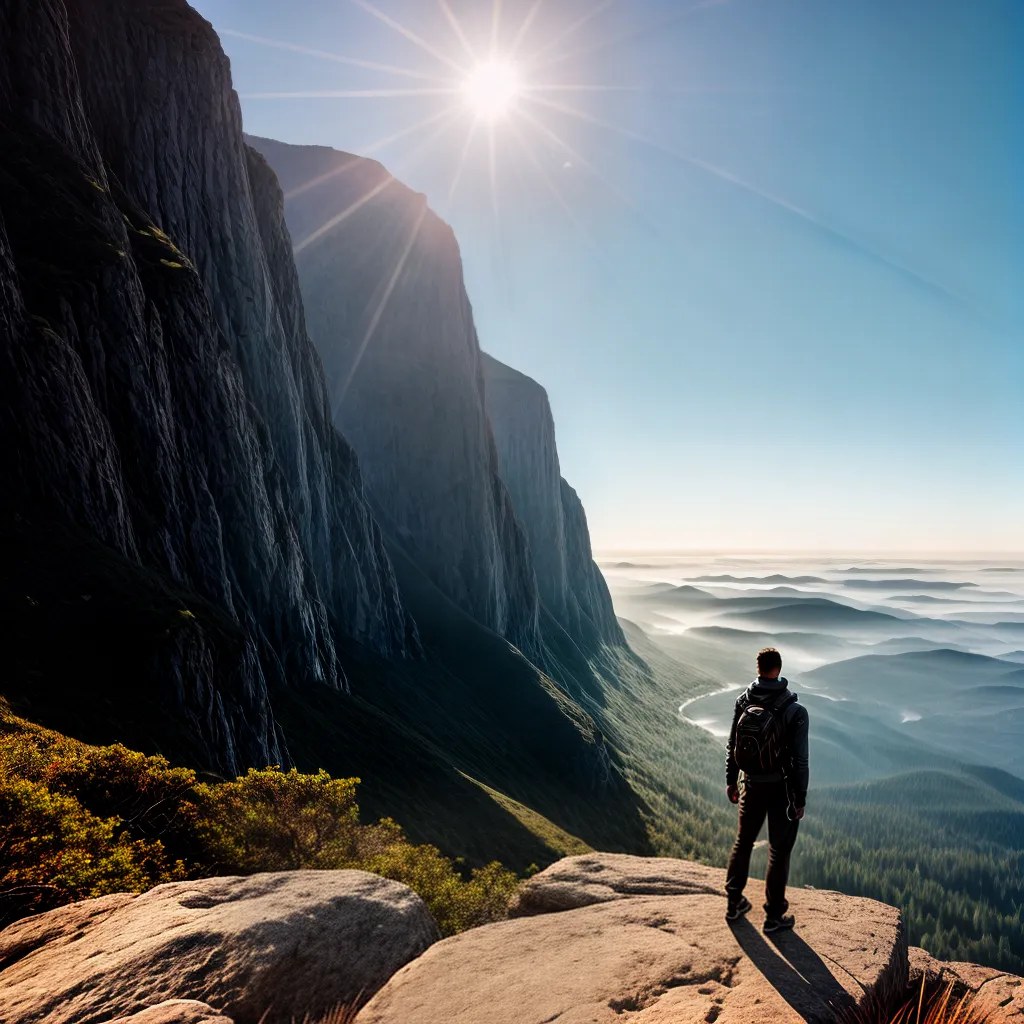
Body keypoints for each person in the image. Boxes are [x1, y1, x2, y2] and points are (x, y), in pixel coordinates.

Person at [724, 647, 809, 934]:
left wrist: (731, 780)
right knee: (778, 852)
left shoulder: (743, 701)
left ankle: (734, 903)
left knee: (743, 843)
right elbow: (801, 760)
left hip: (750, 784)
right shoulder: (794, 710)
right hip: (781, 789)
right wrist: (800, 798)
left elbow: (733, 745)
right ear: (779, 669)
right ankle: (773, 917)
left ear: (758, 668)